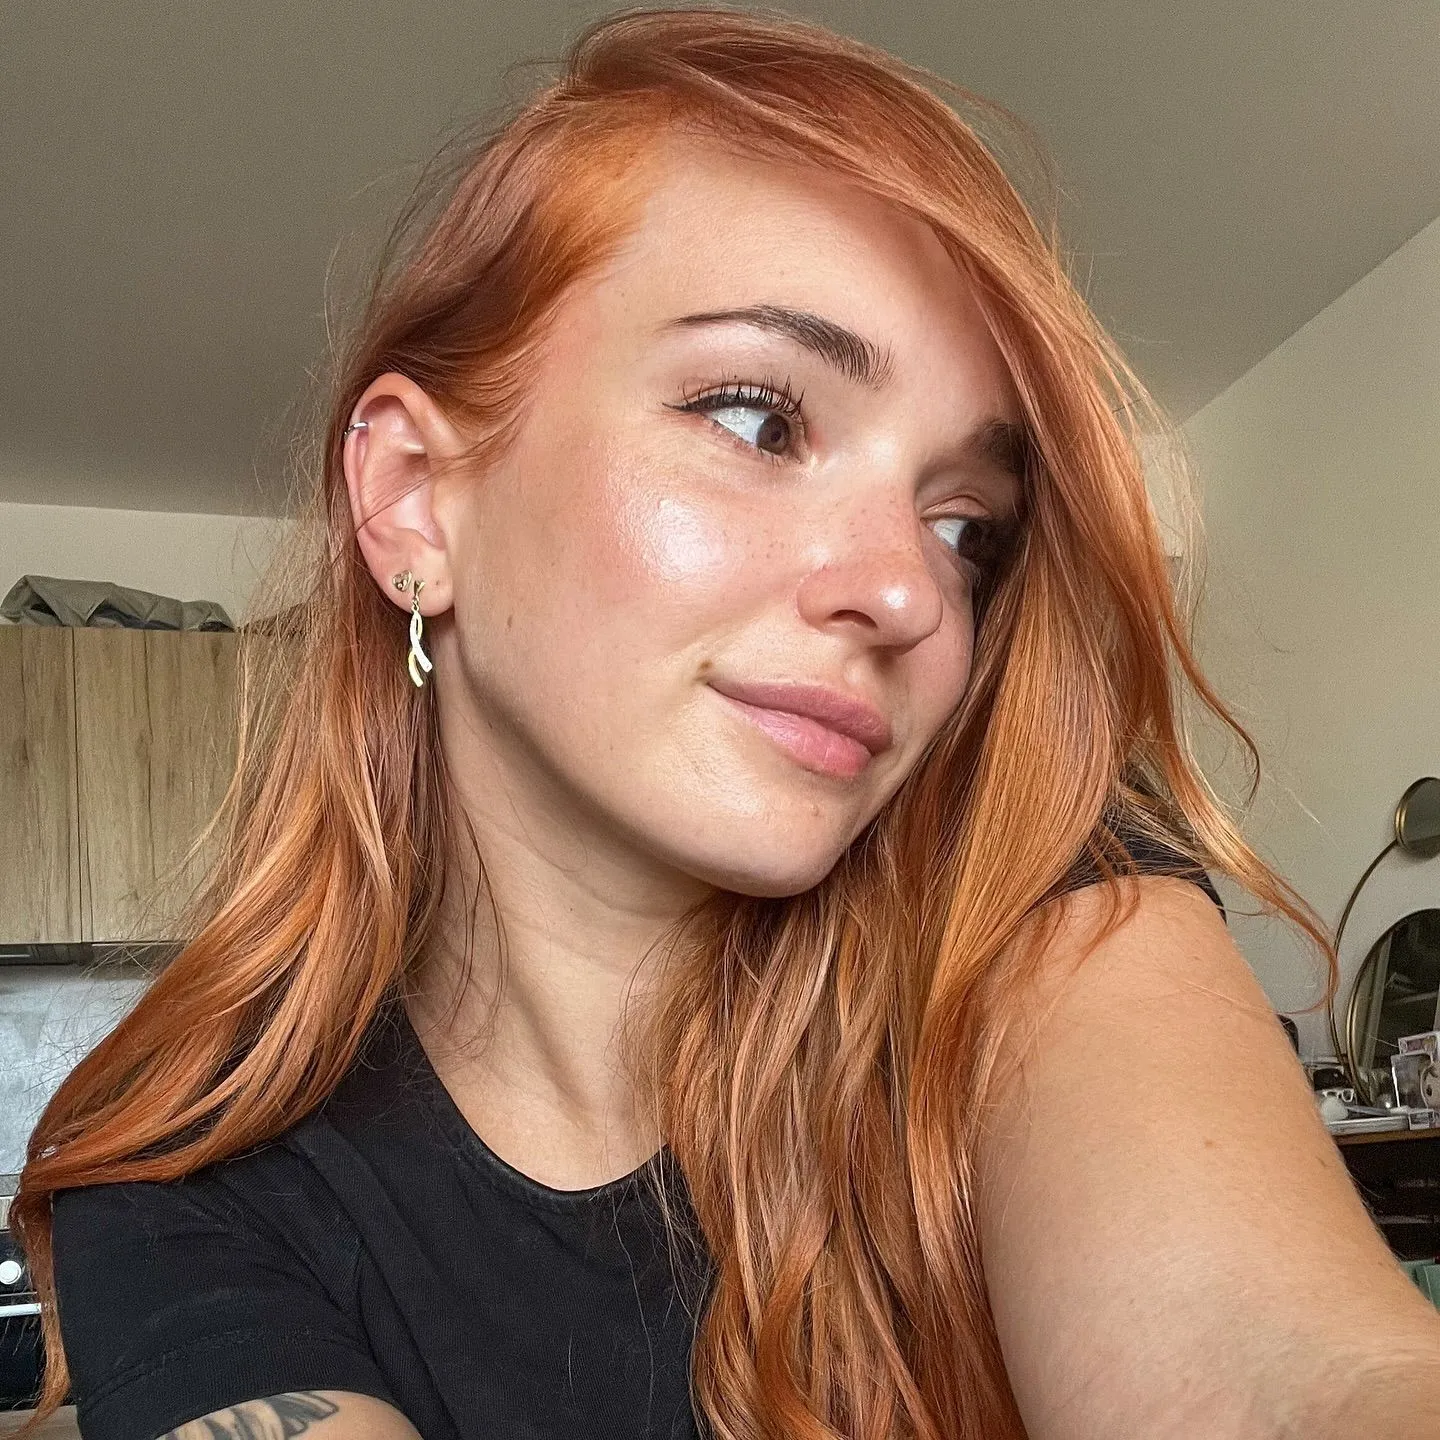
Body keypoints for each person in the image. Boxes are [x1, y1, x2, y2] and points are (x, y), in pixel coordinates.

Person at [14, 9, 1440, 1440]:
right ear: (414, 502)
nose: (909, 592)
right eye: (759, 420)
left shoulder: (1030, 901)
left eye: (966, 527)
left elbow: (1292, 1381)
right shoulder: (187, 1179)